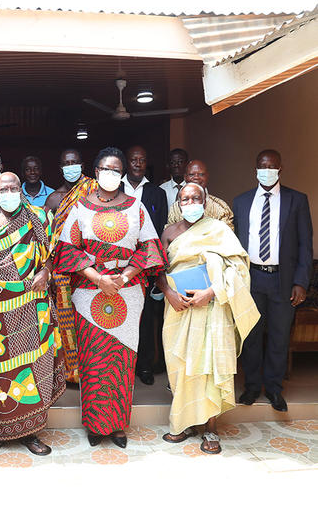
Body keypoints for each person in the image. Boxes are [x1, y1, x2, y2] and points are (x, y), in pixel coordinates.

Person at [54, 147, 165, 448]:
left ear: (123, 173)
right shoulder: (80, 207)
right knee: (93, 361)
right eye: (105, 169)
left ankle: (117, 426)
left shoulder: (136, 206)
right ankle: (94, 424)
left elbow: (151, 248)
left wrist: (125, 276)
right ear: (96, 171)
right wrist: (98, 278)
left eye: (116, 170)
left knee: (122, 360)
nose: (110, 174)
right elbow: (67, 250)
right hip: (90, 294)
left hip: (127, 294)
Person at [157, 183, 259, 453]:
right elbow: (157, 268)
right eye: (184, 199)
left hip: (213, 307)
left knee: (210, 366)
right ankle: (187, 422)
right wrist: (169, 293)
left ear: (205, 201)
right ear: (178, 203)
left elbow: (239, 269)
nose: (190, 203)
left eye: (195, 198)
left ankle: (211, 429)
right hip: (179, 308)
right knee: (181, 365)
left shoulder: (220, 230)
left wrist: (211, 292)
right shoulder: (169, 233)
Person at [0, 172, 64, 457]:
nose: (9, 193)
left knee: (36, 370)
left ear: (20, 190)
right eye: (3, 189)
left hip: (35, 309)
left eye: (14, 188)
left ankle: (32, 432)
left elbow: (52, 255)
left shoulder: (39, 218)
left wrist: (46, 271)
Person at [233, 150, 313, 412]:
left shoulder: (297, 200)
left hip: (283, 279)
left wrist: (301, 282)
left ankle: (274, 389)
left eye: (272, 166)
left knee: (279, 336)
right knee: (251, 336)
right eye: (262, 166)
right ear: (255, 169)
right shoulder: (242, 202)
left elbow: (305, 244)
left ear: (280, 168)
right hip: (252, 277)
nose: (266, 170)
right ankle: (252, 387)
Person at [46, 149, 97, 383]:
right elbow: (46, 237)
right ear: (60, 167)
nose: (71, 166)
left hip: (89, 269)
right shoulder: (54, 199)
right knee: (66, 322)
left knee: (89, 322)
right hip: (62, 271)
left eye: (74, 162)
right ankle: (70, 372)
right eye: (66, 163)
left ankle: (89, 371)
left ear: (82, 164)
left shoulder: (94, 190)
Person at [121, 145, 169, 385]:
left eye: (142, 160)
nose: (138, 164)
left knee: (147, 318)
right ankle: (123, 367)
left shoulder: (156, 193)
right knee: (120, 317)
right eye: (133, 160)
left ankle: (145, 366)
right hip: (117, 266)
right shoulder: (115, 188)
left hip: (146, 267)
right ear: (126, 163)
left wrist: (154, 267)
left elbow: (159, 232)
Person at [167, 160, 234, 230]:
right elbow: (170, 234)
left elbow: (227, 236)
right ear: (185, 177)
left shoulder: (221, 207)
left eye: (201, 174)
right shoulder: (175, 208)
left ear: (207, 176)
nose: (196, 177)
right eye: (191, 175)